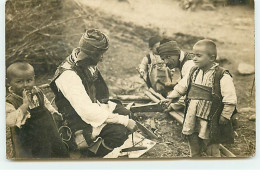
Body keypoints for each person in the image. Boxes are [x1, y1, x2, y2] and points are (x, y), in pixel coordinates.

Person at [50, 29, 137, 157]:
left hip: (88, 111)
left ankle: (95, 148)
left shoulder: (85, 63)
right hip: (77, 122)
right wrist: (123, 121)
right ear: (89, 53)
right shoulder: (68, 75)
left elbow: (94, 98)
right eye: (99, 54)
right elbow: (88, 112)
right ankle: (89, 157)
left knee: (125, 111)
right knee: (120, 132)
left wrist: (119, 112)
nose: (102, 58)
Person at [161, 39, 237, 157]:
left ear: (211, 58)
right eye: (194, 55)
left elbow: (230, 99)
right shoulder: (193, 71)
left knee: (211, 147)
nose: (194, 58)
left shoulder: (221, 76)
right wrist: (170, 98)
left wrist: (224, 116)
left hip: (210, 119)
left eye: (199, 56)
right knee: (193, 142)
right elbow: (182, 86)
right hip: (193, 116)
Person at [6, 61, 69, 159]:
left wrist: (53, 112)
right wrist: (24, 106)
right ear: (8, 82)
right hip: (27, 138)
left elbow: (45, 103)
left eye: (29, 80)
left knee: (55, 152)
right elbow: (10, 121)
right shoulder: (10, 101)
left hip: (47, 131)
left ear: (34, 78)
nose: (25, 85)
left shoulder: (37, 91)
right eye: (19, 82)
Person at [157, 39, 195, 110]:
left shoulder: (189, 63)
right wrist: (172, 104)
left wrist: (171, 100)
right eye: (163, 59)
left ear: (176, 54)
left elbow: (185, 87)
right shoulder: (182, 63)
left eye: (168, 57)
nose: (165, 62)